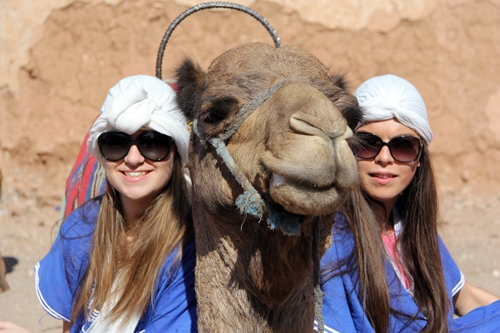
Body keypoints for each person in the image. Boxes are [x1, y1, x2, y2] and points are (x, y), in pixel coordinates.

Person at [319, 74, 500, 333]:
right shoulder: (332, 236)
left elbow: (465, 296)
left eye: (402, 146)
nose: (384, 158)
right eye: (368, 144)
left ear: (418, 161)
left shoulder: (407, 223)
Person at [34, 75, 196, 333]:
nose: (133, 159)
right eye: (116, 143)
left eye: (152, 143)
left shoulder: (190, 251)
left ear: (176, 152)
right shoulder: (81, 229)